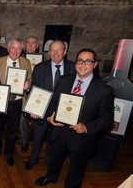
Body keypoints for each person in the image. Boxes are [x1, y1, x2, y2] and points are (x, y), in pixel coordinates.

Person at [35, 49, 114, 187]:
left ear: (94, 64)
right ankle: (51, 177)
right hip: (59, 131)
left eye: (88, 61)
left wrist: (87, 127)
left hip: (81, 137)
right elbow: (54, 103)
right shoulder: (64, 80)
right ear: (75, 63)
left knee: (77, 167)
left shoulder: (104, 90)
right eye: (80, 60)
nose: (83, 64)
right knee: (55, 159)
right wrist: (49, 117)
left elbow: (107, 119)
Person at [24, 40, 76, 170]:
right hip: (42, 110)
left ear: (65, 52)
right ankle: (33, 159)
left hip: (61, 112)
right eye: (52, 50)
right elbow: (34, 89)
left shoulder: (73, 68)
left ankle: (49, 161)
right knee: (37, 137)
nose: (55, 53)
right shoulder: (40, 67)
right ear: (49, 52)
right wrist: (32, 109)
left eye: (59, 50)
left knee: (55, 139)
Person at [0, 39, 32, 166]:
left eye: (19, 48)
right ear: (8, 49)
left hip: (16, 102)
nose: (15, 51)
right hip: (1, 101)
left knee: (12, 131)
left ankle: (9, 153)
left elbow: (30, 78)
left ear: (21, 50)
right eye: (13, 47)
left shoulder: (26, 62)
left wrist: (27, 85)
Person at [19, 35, 40, 153]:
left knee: (25, 119)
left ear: (37, 46)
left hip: (36, 94)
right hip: (22, 94)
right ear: (24, 46)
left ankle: (25, 140)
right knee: (21, 118)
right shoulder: (19, 59)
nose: (30, 45)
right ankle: (22, 136)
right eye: (28, 42)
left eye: (33, 43)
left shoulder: (44, 61)